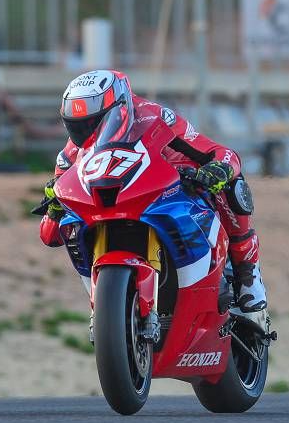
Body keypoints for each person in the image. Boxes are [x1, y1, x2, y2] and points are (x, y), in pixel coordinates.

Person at [37, 69, 269, 327]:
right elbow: (49, 236)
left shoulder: (154, 115)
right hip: (115, 208)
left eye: (93, 123)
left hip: (173, 185)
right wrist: (55, 207)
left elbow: (222, 153)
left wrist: (216, 169)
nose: (85, 133)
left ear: (120, 108)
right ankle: (105, 310)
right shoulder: (70, 154)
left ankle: (249, 274)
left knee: (231, 184)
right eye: (77, 126)